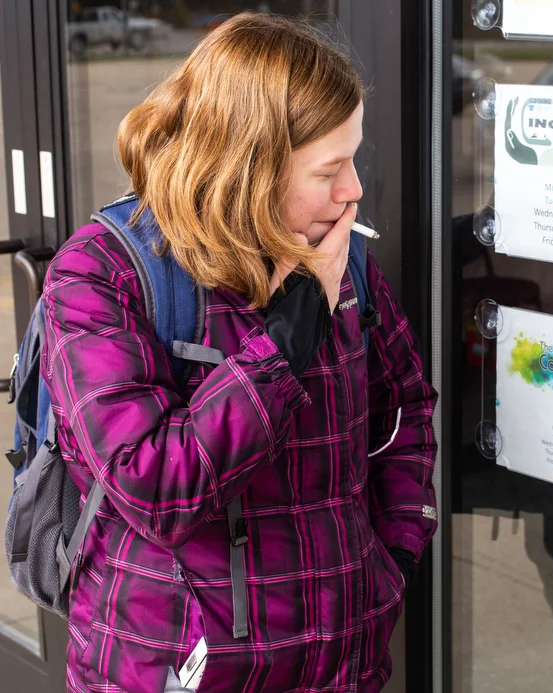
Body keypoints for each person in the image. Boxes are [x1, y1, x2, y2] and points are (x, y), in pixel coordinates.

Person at [40, 13, 437, 693]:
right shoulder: (104, 273)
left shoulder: (344, 262)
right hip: (172, 669)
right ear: (249, 167)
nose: (353, 191)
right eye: (329, 169)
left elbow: (405, 412)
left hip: (341, 666)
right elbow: (156, 487)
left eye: (354, 159)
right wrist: (283, 344)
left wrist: (390, 558)